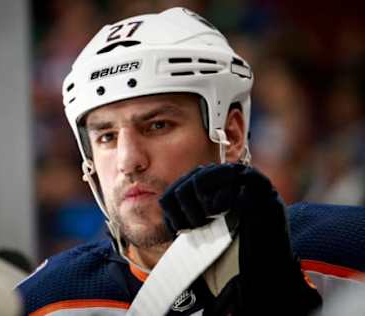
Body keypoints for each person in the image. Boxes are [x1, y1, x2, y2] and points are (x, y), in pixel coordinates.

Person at [17, 7, 321, 315]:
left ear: (231, 134)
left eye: (157, 125)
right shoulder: (45, 301)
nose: (128, 161)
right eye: (107, 137)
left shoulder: (336, 248)